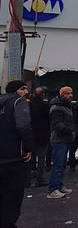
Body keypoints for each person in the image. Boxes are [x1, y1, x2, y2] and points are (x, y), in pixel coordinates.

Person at [0, 81, 33, 227]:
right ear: (15, 91)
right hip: (14, 158)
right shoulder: (19, 102)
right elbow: (23, 126)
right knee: (13, 197)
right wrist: (29, 147)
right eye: (22, 89)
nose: (26, 92)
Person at [48, 86, 74, 199]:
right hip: (59, 139)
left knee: (62, 164)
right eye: (67, 93)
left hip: (65, 139)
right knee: (58, 165)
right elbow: (57, 124)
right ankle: (53, 189)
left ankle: (59, 185)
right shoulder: (57, 108)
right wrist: (69, 131)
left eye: (71, 93)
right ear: (62, 95)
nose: (70, 95)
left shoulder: (66, 106)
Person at [29, 86, 50, 187]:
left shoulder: (29, 104)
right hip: (43, 134)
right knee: (41, 159)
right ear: (43, 94)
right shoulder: (46, 105)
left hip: (31, 134)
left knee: (30, 156)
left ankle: (29, 177)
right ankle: (39, 178)